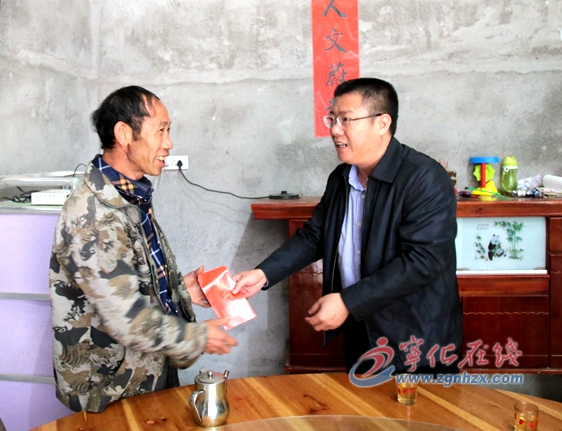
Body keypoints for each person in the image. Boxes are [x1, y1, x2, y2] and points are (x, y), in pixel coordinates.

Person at [233, 77, 462, 375]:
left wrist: (347, 301)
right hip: (361, 330)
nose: (334, 130)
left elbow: (424, 261)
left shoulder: (424, 178)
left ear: (382, 123)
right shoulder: (341, 178)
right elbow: (315, 236)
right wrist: (264, 273)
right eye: (332, 119)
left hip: (416, 338)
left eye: (346, 120)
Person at [50, 85, 237, 413]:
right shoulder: (95, 215)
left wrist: (181, 290)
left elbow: (131, 279)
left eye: (169, 131)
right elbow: (127, 319)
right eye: (161, 131)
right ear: (124, 134)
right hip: (109, 389)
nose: (169, 143)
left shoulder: (130, 196)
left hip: (146, 371)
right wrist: (197, 336)